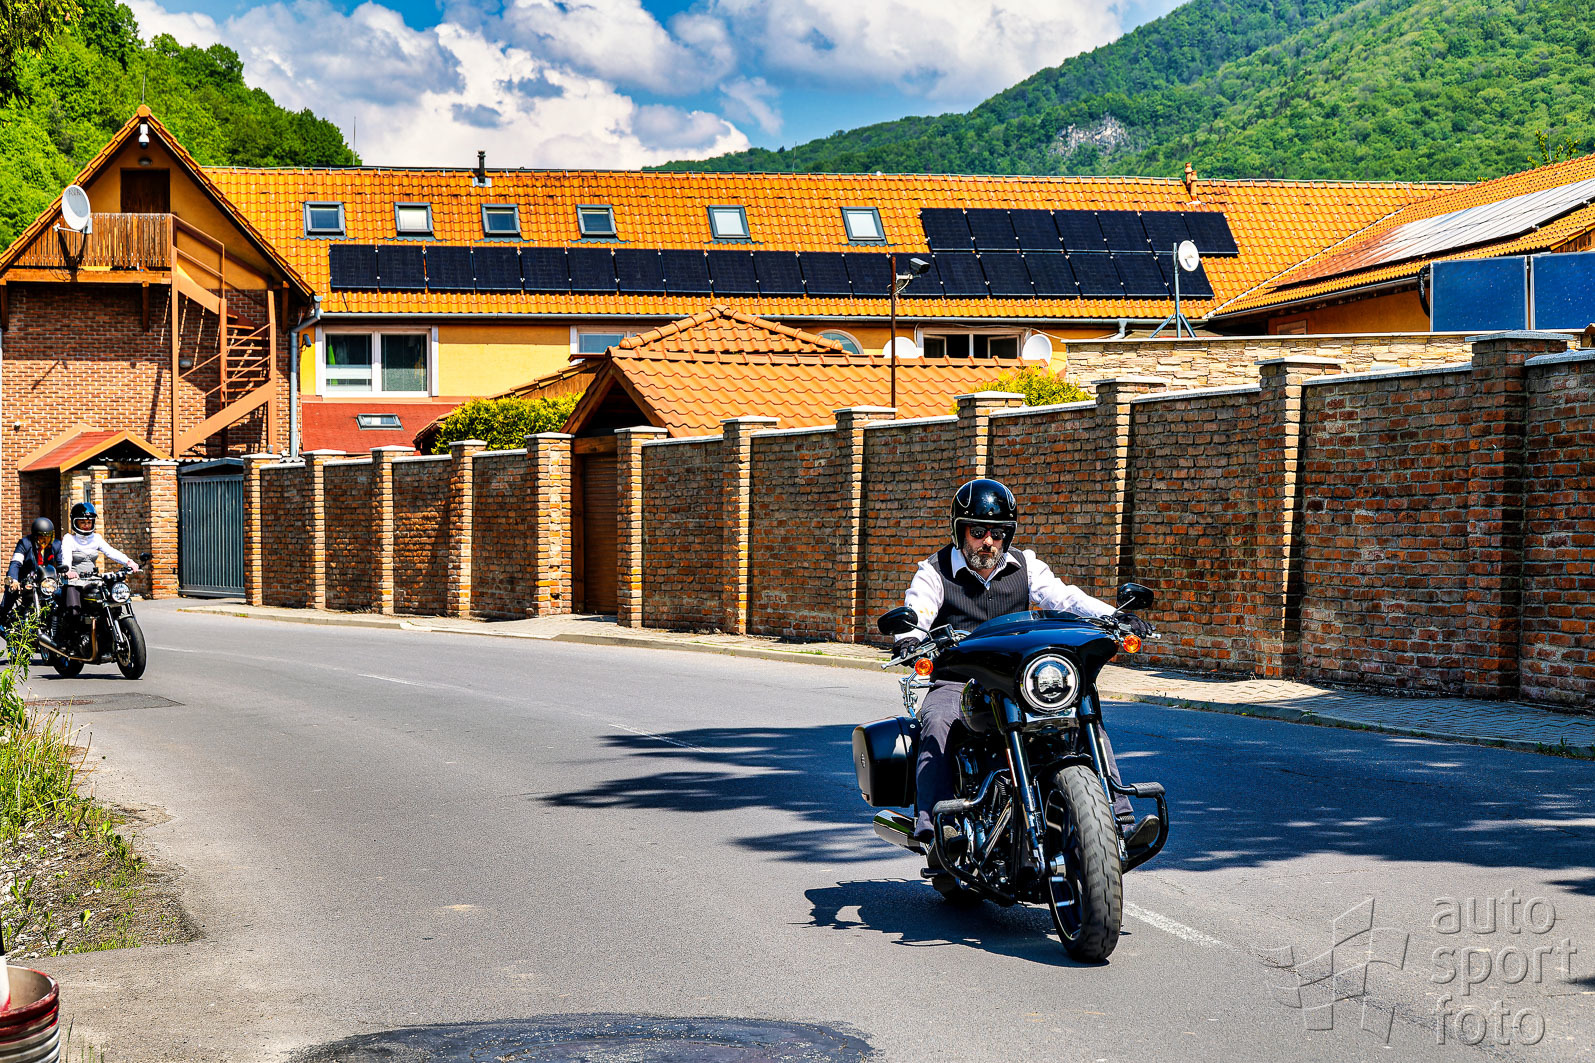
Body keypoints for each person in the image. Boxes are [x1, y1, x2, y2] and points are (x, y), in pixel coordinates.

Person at [896, 477, 1159, 862]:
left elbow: (1066, 598)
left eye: (998, 533)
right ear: (960, 531)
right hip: (959, 680)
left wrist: (1115, 617)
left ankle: (1118, 821)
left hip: (1016, 681)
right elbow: (917, 609)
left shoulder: (1025, 565)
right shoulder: (935, 571)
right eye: (978, 532)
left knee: (1082, 710)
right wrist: (909, 637)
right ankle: (936, 830)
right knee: (937, 720)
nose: (989, 541)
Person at [1, 517, 63, 633]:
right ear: (35, 536)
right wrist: (14, 579)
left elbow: (61, 564)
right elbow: (16, 563)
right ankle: (2, 619)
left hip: (46, 582)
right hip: (26, 580)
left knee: (62, 596)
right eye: (41, 537)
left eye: (48, 537)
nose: (45, 540)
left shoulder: (57, 545)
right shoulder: (25, 543)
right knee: (11, 592)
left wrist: (65, 575)